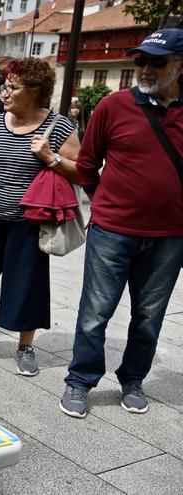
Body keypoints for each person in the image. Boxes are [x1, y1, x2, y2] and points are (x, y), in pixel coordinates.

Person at [60, 29, 183, 419]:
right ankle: (80, 379)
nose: (146, 68)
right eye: (141, 60)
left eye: (157, 61)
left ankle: (133, 378)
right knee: (96, 311)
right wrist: (103, 203)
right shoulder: (113, 105)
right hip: (112, 230)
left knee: (149, 315)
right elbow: (86, 163)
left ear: (180, 66)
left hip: (170, 236)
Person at [0, 58, 80, 377]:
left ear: (35, 91)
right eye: (4, 85)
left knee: (27, 284)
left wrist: (50, 157)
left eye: (12, 87)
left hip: (30, 223)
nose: (4, 92)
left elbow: (82, 172)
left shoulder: (61, 126)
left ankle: (25, 346)